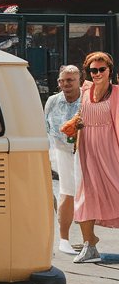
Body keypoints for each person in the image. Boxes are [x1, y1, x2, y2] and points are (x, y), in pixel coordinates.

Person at [61, 52, 119, 263]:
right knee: (85, 196)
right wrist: (75, 125)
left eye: (101, 69)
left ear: (109, 70)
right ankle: (89, 244)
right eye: (93, 70)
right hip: (87, 150)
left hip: (110, 150)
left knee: (116, 190)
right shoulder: (85, 91)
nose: (96, 73)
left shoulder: (117, 94)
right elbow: (82, 116)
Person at [44, 65, 83, 255]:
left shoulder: (87, 98)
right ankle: (64, 239)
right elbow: (44, 125)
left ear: (79, 81)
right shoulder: (52, 100)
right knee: (66, 192)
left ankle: (88, 240)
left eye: (70, 80)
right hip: (60, 150)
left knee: (86, 193)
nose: (65, 84)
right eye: (62, 80)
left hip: (84, 151)